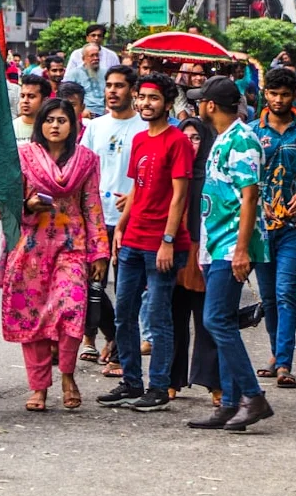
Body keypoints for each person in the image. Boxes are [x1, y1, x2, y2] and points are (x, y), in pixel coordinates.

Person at [0, 98, 110, 411]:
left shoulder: (86, 160)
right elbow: (4, 205)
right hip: (31, 248)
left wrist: (100, 252)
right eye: (49, 120)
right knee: (32, 317)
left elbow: (92, 207)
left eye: (62, 120)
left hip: (71, 246)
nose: (55, 125)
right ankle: (39, 387)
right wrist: (26, 205)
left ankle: (67, 374)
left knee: (71, 308)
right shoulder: (23, 157)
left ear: (72, 125)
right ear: (40, 125)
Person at [98, 72, 193, 412]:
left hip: (162, 245)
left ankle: (159, 387)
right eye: (142, 98)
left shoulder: (177, 141)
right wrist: (121, 226)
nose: (145, 104)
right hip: (133, 240)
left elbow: (180, 196)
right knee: (124, 313)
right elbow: (137, 188)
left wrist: (168, 240)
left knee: (158, 317)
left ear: (168, 104)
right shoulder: (139, 139)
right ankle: (131, 382)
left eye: (153, 99)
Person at [187, 76, 273, 431]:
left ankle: (252, 397)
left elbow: (249, 196)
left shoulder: (242, 141)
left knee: (217, 321)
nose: (197, 106)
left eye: (200, 101)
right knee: (218, 320)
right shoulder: (224, 139)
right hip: (217, 243)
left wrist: (239, 250)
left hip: (231, 245)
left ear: (210, 105)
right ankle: (231, 401)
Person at [248, 67, 296, 389]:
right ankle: (275, 353)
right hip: (260, 227)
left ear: (295, 95)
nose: (278, 100)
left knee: (285, 293)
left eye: (285, 95)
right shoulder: (252, 132)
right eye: (273, 94)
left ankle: (284, 363)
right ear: (265, 94)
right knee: (268, 298)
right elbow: (247, 179)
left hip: (294, 224)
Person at [79, 65, 147, 370]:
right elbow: (83, 169)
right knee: (89, 286)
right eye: (109, 85)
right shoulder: (95, 127)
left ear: (132, 91)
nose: (112, 91)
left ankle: (120, 355)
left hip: (131, 220)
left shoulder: (143, 128)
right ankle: (114, 335)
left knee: (126, 291)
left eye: (119, 85)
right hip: (95, 219)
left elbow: (148, 174)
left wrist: (133, 199)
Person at [171, 118, 221, 405]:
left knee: (208, 321)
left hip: (204, 252)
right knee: (173, 318)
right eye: (185, 137)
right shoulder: (173, 170)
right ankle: (171, 381)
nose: (190, 143)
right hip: (174, 248)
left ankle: (213, 383)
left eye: (196, 138)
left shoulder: (211, 173)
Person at [64, 43, 106, 117]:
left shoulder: (106, 73)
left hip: (106, 112)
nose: (96, 58)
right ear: (84, 59)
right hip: (86, 113)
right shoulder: (74, 73)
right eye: (92, 55)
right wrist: (81, 111)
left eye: (97, 55)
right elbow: (66, 96)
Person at [13, 73, 49, 144]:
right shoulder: (12, 127)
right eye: (22, 96)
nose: (25, 101)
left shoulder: (51, 127)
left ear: (45, 100)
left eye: (31, 96)